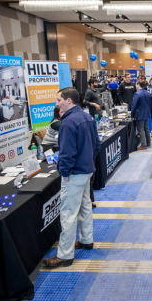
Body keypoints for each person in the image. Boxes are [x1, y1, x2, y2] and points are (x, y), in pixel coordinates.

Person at [42, 88, 101, 268]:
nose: (57, 103)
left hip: (74, 174)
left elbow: (67, 153)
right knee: (84, 206)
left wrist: (65, 173)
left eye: (59, 100)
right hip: (87, 170)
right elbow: (97, 144)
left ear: (68, 100)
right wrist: (88, 162)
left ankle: (65, 255)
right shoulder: (87, 117)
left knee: (68, 214)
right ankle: (86, 240)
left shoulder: (68, 122)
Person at [131, 80, 151, 150]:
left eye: (136, 84)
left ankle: (143, 145)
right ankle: (148, 142)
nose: (135, 86)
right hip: (146, 113)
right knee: (146, 128)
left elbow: (134, 106)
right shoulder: (147, 93)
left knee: (141, 129)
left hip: (140, 114)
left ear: (138, 84)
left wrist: (132, 115)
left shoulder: (137, 94)